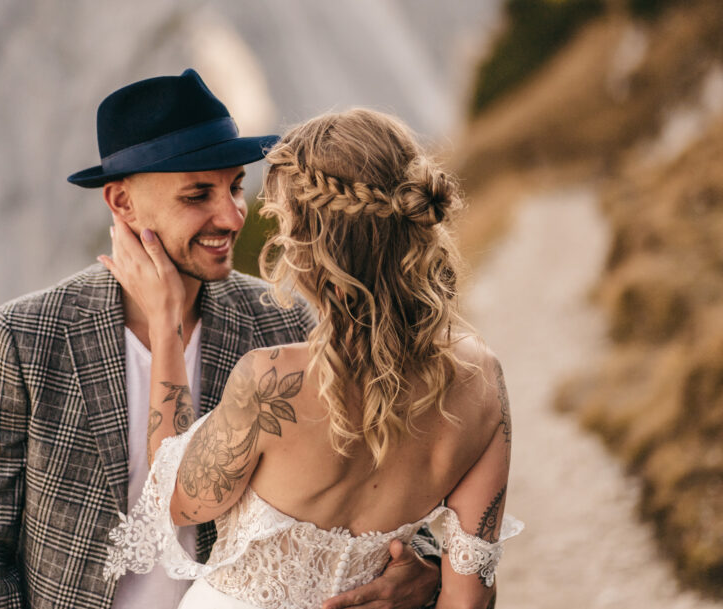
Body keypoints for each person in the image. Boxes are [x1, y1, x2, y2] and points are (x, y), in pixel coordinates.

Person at [0, 70, 442, 609]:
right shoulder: (25, 339)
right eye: (198, 194)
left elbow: (387, 476)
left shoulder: (288, 324)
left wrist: (427, 568)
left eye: (234, 186)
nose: (230, 216)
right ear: (122, 202)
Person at [101, 107, 522, 609]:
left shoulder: (272, 379)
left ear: (310, 245)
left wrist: (166, 325)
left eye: (281, 221)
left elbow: (178, 500)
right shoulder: (483, 380)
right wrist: (430, 575)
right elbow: (471, 598)